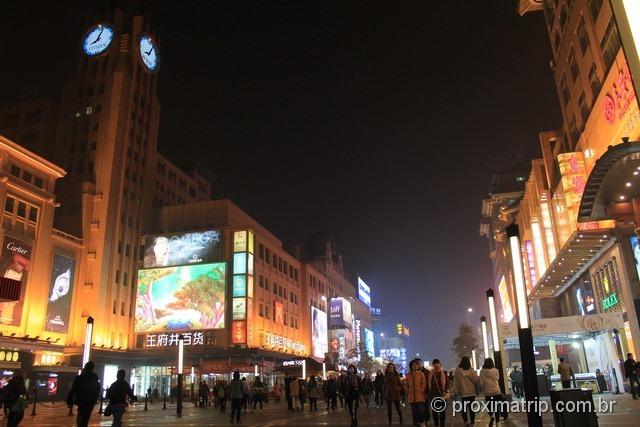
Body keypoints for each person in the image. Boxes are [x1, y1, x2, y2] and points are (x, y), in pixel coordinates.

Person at [66, 361, 101, 427]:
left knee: (81, 416)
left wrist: (69, 399)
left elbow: (73, 389)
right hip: (90, 401)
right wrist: (95, 397)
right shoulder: (94, 377)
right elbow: (97, 388)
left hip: (81, 400)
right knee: (86, 418)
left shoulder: (80, 377)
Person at [453, 356, 479, 427]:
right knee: (471, 409)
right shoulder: (471, 370)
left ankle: (466, 422)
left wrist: (456, 390)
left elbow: (455, 381)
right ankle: (472, 423)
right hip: (471, 392)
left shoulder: (458, 370)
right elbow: (476, 380)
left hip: (463, 392)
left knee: (464, 408)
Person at [480, 358, 503, 427]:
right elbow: (497, 379)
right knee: (496, 407)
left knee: (489, 407)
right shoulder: (496, 370)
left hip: (488, 392)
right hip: (496, 391)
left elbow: (482, 383)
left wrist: (482, 388)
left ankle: (491, 417)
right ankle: (498, 422)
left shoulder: (482, 371)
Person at [427, 359, 449, 427]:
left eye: (437, 363)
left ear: (440, 364)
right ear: (433, 365)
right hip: (433, 394)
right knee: (434, 411)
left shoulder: (444, 372)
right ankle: (436, 424)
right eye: (434, 364)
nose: (436, 365)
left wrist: (447, 391)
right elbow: (429, 384)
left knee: (442, 411)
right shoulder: (430, 373)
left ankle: (442, 425)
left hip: (441, 394)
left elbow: (447, 383)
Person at [405, 359, 426, 427]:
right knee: (414, 412)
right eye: (413, 365)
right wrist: (407, 391)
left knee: (421, 411)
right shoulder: (408, 375)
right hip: (411, 396)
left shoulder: (421, 374)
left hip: (420, 395)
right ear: (411, 366)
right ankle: (415, 424)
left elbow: (423, 383)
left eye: (416, 365)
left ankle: (422, 422)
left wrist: (422, 390)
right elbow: (406, 385)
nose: (415, 366)